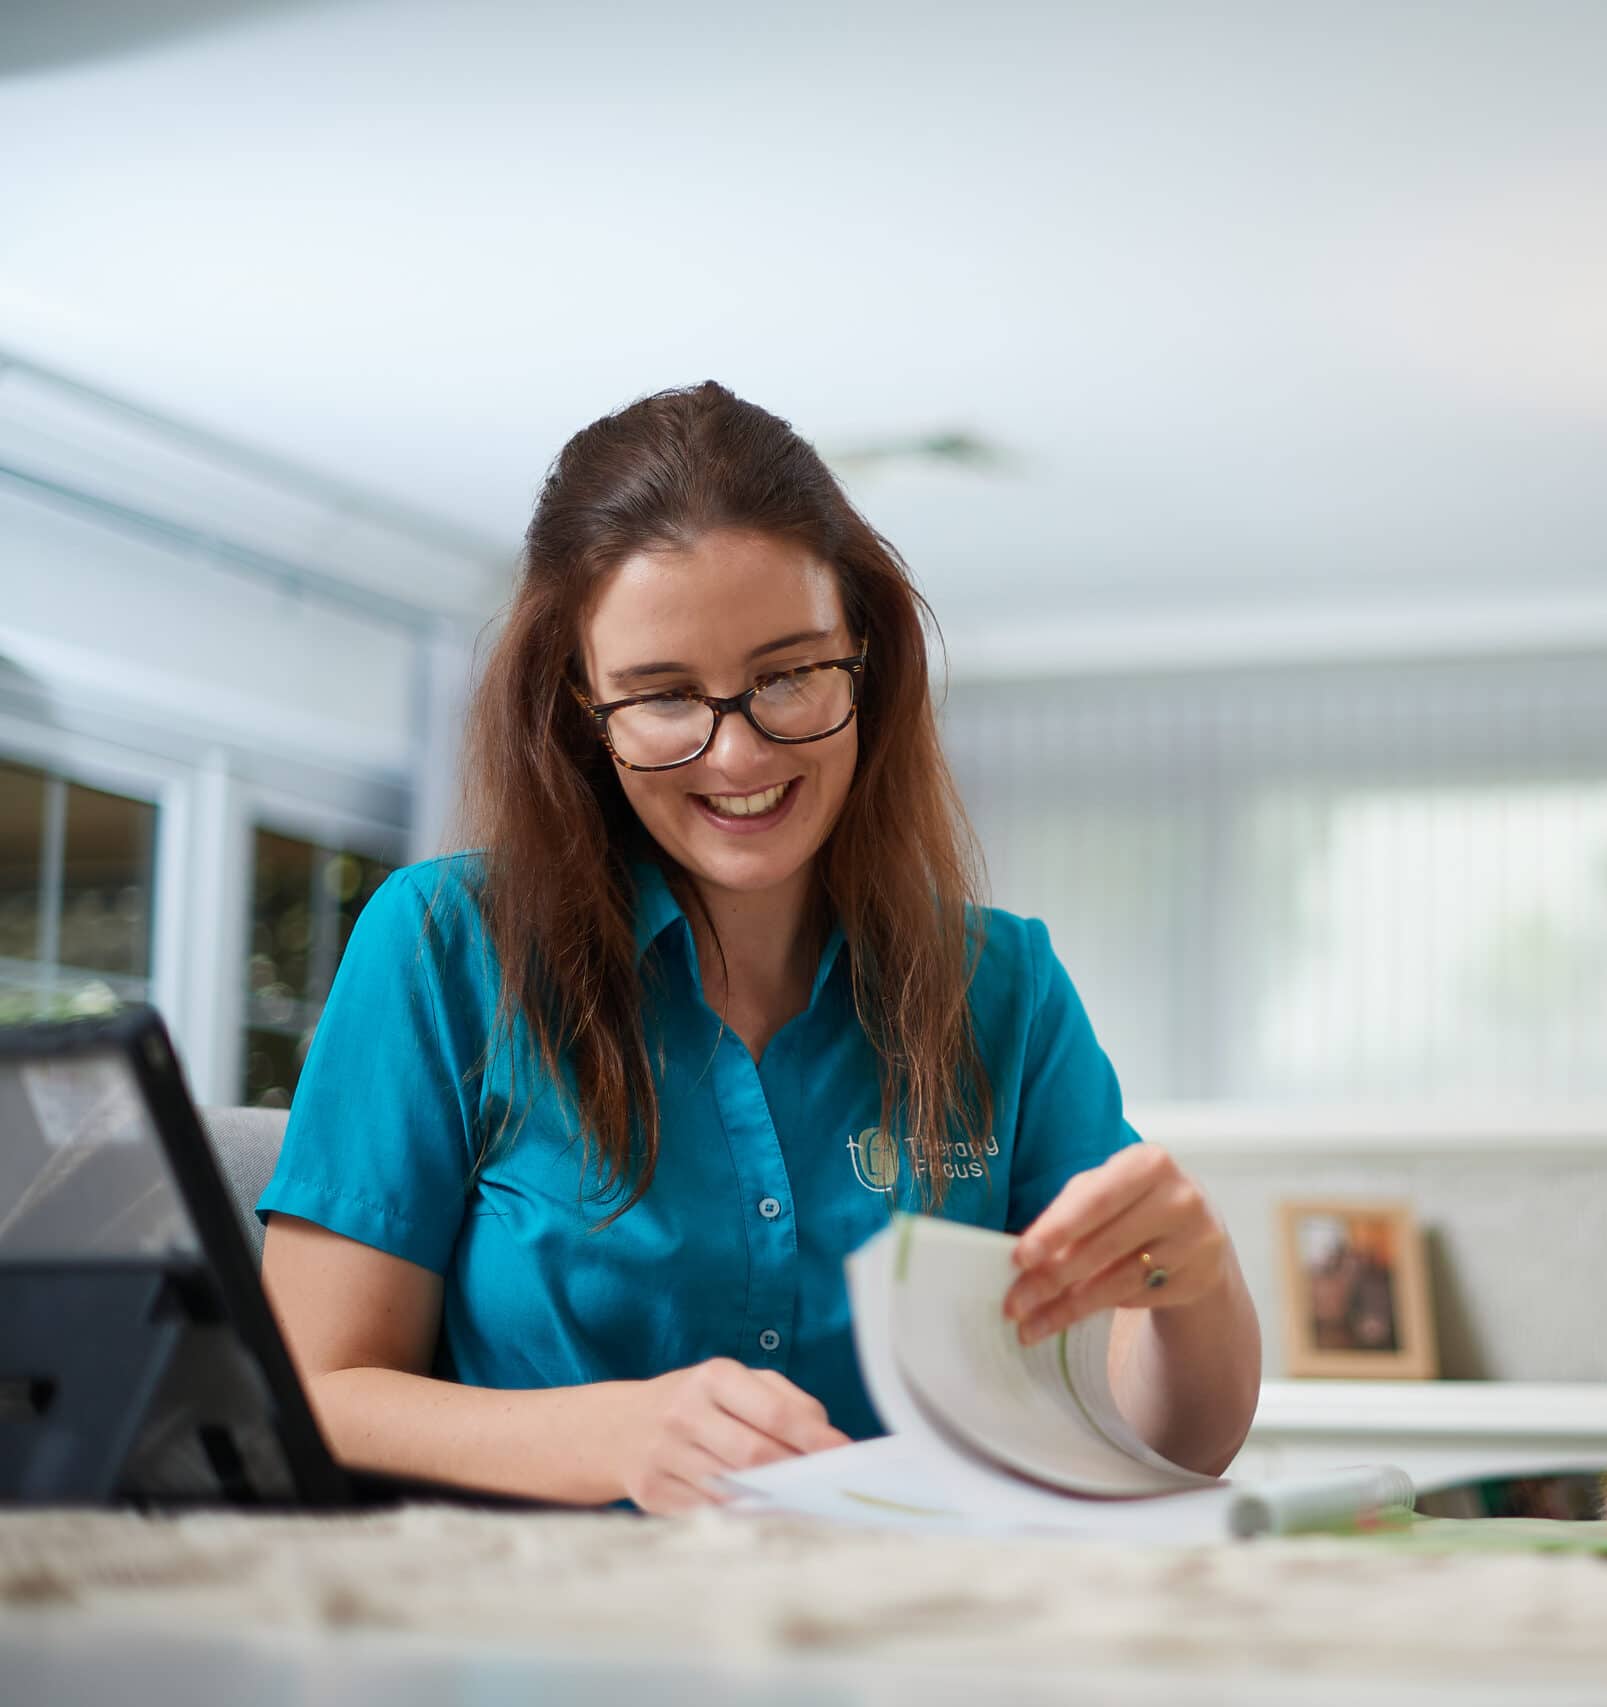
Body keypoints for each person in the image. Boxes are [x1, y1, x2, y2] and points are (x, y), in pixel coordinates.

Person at [258, 382, 1260, 1512]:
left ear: (866, 660)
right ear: (575, 706)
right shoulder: (442, 945)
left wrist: (1194, 1282)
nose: (737, 756)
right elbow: (315, 1385)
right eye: (663, 696)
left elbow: (1172, 1449)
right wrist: (608, 1434)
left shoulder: (1003, 989)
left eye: (788, 675)